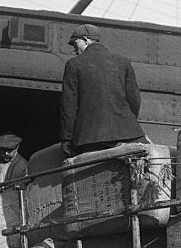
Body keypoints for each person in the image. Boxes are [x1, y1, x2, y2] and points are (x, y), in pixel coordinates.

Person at [59, 23, 144, 157]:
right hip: (129, 133)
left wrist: (67, 138)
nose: (74, 50)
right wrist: (125, 123)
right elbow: (134, 100)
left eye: (75, 44)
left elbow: (68, 107)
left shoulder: (74, 64)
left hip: (90, 137)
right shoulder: (123, 62)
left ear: (86, 40)